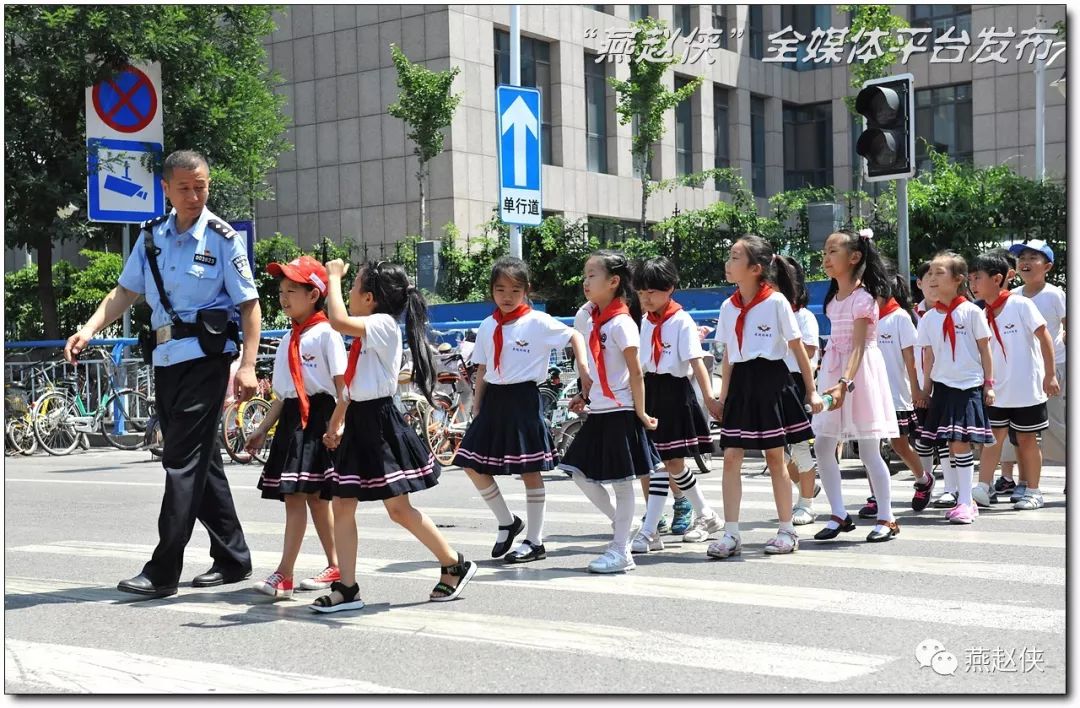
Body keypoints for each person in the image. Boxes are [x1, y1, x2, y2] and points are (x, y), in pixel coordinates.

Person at [65, 150, 260, 598]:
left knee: (180, 461)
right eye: (185, 188)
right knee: (202, 460)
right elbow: (125, 291)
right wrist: (89, 330)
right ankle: (233, 557)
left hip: (208, 359)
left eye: (202, 186)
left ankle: (163, 569)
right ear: (167, 190)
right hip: (167, 359)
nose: (195, 196)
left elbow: (249, 305)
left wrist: (247, 365)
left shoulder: (222, 238)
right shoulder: (151, 236)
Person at [317, 259, 477, 612]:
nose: (348, 292)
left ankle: (453, 562)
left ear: (370, 297)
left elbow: (338, 320)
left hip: (379, 422)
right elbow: (353, 385)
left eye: (353, 286)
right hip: (360, 418)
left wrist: (331, 277)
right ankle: (347, 587)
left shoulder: (383, 324)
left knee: (399, 509)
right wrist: (337, 421)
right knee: (343, 504)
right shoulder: (371, 329)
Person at [452, 257, 591, 563]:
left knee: (529, 469)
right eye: (500, 289)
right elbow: (484, 366)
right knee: (470, 461)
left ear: (526, 290)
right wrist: (477, 404)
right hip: (493, 401)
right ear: (491, 291)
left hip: (524, 398)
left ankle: (535, 541)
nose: (507, 296)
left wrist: (582, 365)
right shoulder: (488, 325)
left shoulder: (537, 322)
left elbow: (575, 336)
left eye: (515, 290)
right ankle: (507, 521)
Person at [709, 235, 824, 559]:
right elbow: (729, 355)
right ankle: (731, 532)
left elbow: (797, 347)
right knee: (731, 457)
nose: (728, 263)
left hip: (771, 380)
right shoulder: (728, 307)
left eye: (734, 258)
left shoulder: (775, 303)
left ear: (755, 268)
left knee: (775, 457)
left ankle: (786, 529)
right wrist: (722, 395)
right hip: (742, 384)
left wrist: (812, 389)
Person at [244, 256, 344, 598]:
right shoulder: (288, 339)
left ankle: (285, 574)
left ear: (314, 294)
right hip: (292, 421)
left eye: (292, 290)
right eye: (281, 290)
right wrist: (262, 429)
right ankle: (332, 565)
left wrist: (338, 424)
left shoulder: (327, 334)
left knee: (307, 497)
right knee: (305, 497)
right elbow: (283, 395)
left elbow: (341, 386)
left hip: (320, 418)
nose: (283, 297)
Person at [559, 250, 661, 574]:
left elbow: (636, 373)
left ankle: (621, 551)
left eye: (592, 275)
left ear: (613, 281)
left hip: (620, 411)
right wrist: (584, 394)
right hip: (600, 409)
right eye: (585, 275)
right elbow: (597, 368)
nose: (585, 281)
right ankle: (623, 526)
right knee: (576, 471)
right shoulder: (592, 318)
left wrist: (642, 413)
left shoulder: (621, 323)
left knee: (621, 482)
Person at [811, 228, 900, 544]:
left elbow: (859, 347)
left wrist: (843, 383)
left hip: (858, 376)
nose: (826, 258)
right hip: (836, 371)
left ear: (855, 257)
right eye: (825, 251)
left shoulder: (864, 299)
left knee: (868, 449)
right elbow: (838, 343)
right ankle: (838, 513)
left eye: (832, 251)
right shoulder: (834, 298)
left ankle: (887, 517)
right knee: (823, 444)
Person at [631, 257, 724, 553]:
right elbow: (640, 364)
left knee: (665, 463)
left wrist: (709, 398)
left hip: (675, 393)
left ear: (669, 289)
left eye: (652, 292)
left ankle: (649, 533)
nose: (646, 298)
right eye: (642, 293)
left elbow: (696, 361)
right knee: (668, 463)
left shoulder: (680, 320)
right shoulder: (646, 321)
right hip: (652, 392)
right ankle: (707, 515)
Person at [968, 252, 1058, 511]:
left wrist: (1050, 374)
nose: (973, 284)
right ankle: (983, 487)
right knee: (993, 438)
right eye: (971, 279)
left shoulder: (1021, 305)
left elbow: (1045, 338)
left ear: (997, 279)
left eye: (978, 278)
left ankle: (1033, 490)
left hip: (1026, 387)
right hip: (997, 390)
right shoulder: (980, 313)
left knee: (1027, 439)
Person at [915, 251, 995, 525]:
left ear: (958, 279)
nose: (932, 278)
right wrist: (925, 389)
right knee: (951, 443)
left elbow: (986, 351)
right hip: (943, 387)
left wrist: (989, 384)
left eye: (939, 273)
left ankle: (964, 501)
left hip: (968, 385)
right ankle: (965, 499)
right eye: (930, 273)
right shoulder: (928, 318)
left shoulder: (972, 312)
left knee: (960, 442)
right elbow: (929, 357)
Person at [999, 240, 1067, 500]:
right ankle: (1023, 481)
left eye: (1033, 257)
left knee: (1055, 426)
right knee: (1019, 429)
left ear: (1047, 266)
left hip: (1053, 367)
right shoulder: (1013, 296)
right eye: (1021, 257)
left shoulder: (1055, 294)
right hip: (1021, 370)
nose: (1025, 261)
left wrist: (1054, 370)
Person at [872, 263, 936, 514]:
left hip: (896, 394)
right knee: (871, 447)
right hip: (870, 393)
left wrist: (917, 391)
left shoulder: (900, 318)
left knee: (900, 445)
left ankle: (923, 479)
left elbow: (911, 361)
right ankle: (876, 496)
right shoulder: (865, 318)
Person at [780, 256, 823, 526]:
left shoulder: (803, 317)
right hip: (764, 385)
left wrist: (810, 391)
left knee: (799, 448)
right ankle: (807, 486)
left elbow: (806, 354)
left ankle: (806, 503)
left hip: (793, 384)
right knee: (773, 451)